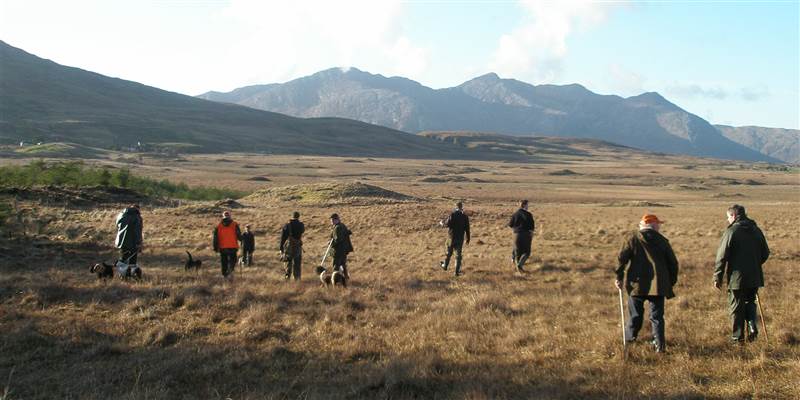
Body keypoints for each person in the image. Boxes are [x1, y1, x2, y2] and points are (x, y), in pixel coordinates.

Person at [615, 214, 679, 353]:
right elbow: (673, 263)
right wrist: (670, 282)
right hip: (658, 286)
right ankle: (660, 347)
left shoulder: (632, 238)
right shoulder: (662, 241)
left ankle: (629, 342)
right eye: (658, 224)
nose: (659, 226)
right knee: (657, 318)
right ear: (653, 225)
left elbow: (621, 259)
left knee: (635, 315)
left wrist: (619, 276)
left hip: (636, 285)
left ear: (643, 225)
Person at [713, 204, 770, 344]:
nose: (728, 220)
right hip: (755, 276)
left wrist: (718, 276)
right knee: (750, 301)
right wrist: (754, 265)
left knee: (737, 307)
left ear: (733, 216)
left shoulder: (731, 231)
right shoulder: (756, 230)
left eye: (728, 217)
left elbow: (721, 256)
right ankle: (752, 326)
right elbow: (765, 253)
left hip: (737, 278)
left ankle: (737, 338)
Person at [439, 201, 470, 276]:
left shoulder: (452, 214)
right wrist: (468, 238)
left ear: (456, 207)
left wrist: (441, 223)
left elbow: (447, 224)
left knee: (448, 253)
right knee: (458, 256)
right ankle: (456, 272)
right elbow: (467, 228)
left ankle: (445, 266)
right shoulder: (465, 217)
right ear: (462, 207)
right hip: (460, 238)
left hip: (451, 238)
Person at [115, 204, 143, 279]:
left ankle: (122, 276)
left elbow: (117, 226)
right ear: (137, 209)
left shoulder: (121, 215)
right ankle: (132, 276)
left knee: (123, 259)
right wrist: (138, 243)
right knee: (132, 261)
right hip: (133, 242)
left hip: (121, 242)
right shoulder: (137, 217)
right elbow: (137, 231)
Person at [212, 210, 242, 279]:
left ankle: (225, 275)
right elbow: (239, 236)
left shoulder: (218, 225)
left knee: (224, 262)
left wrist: (215, 247)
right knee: (233, 261)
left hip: (222, 247)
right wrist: (242, 239)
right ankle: (230, 271)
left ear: (223, 216)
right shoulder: (234, 224)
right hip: (233, 247)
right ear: (230, 216)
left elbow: (215, 238)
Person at [508, 199, 535, 273]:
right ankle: (520, 265)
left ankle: (516, 266)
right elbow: (532, 227)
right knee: (526, 252)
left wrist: (516, 229)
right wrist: (531, 234)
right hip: (526, 235)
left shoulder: (515, 214)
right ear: (524, 205)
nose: (528, 206)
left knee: (517, 251)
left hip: (516, 235)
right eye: (527, 205)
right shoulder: (528, 214)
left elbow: (510, 224)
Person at [279, 212, 305, 280]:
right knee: (297, 264)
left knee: (288, 263)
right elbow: (302, 231)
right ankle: (297, 279)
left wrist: (281, 248)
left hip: (289, 247)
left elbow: (283, 237)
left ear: (292, 216)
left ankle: (287, 278)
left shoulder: (287, 225)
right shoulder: (301, 225)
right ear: (298, 216)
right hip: (298, 247)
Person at [329, 213, 353, 280]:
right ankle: (346, 278)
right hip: (344, 250)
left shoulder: (337, 228)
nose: (331, 222)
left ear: (336, 220)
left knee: (336, 266)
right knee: (343, 265)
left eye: (332, 220)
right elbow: (347, 233)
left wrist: (331, 243)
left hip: (338, 251)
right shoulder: (342, 225)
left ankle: (335, 280)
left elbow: (338, 239)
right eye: (331, 220)